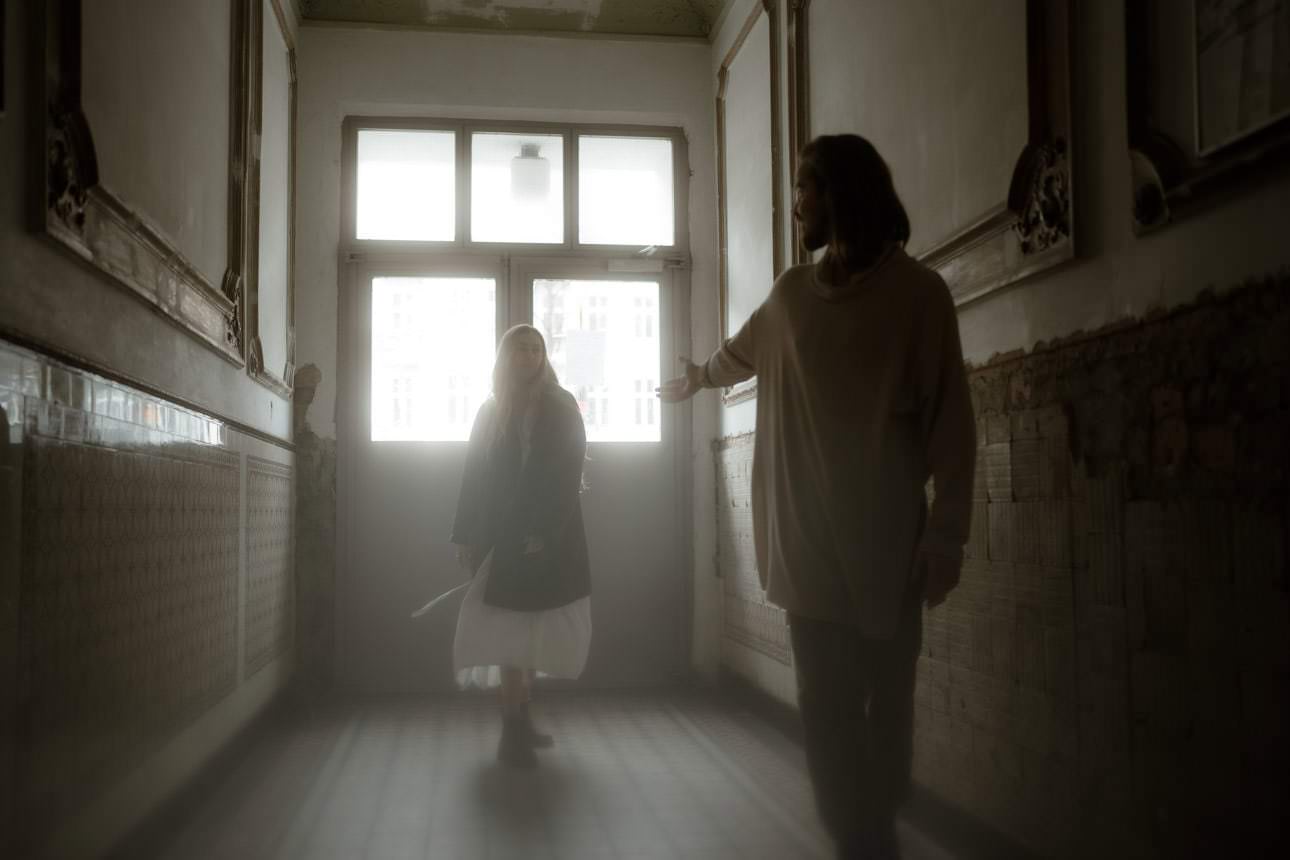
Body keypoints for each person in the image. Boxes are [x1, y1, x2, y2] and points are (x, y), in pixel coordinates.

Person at [659, 134, 976, 858]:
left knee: (888, 708)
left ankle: (874, 819)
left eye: (805, 186)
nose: (796, 201)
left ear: (840, 194)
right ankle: (861, 840)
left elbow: (951, 426)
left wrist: (947, 536)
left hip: (891, 549)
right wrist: (698, 378)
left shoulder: (919, 297)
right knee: (828, 711)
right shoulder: (792, 295)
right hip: (805, 549)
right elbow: (739, 352)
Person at [451, 324, 592, 769]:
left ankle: (522, 721)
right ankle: (512, 728)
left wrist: (546, 531)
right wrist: (466, 535)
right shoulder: (490, 411)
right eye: (520, 349)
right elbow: (473, 476)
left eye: (536, 349)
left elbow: (569, 473)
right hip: (503, 536)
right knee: (510, 630)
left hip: (551, 536)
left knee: (535, 629)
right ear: (505, 356)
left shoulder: (562, 405)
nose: (529, 356)